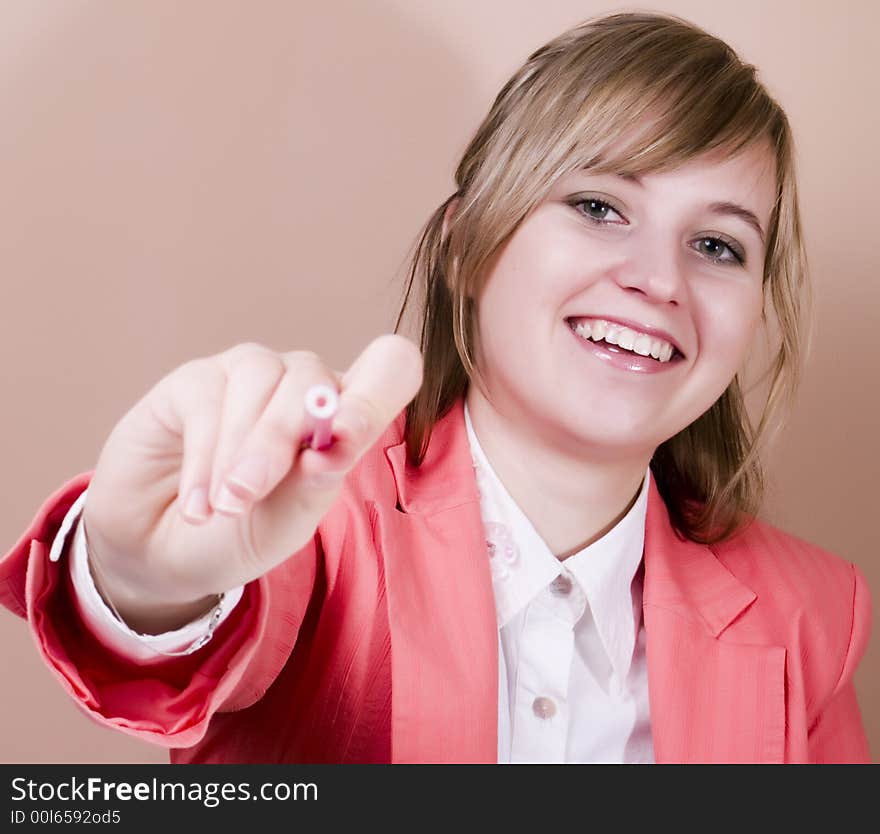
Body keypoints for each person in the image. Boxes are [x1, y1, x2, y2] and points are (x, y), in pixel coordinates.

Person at [0, 11, 871, 764]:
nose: (660, 280)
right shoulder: (309, 518)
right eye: (600, 207)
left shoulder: (816, 614)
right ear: (465, 246)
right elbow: (190, 618)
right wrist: (135, 573)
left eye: (718, 246)